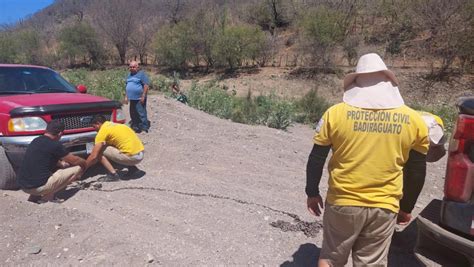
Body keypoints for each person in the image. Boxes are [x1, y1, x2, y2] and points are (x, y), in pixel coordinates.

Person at [305, 53, 429, 267]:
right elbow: (417, 171)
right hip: (385, 206)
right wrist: (406, 207)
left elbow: (316, 157)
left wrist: (312, 192)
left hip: (343, 202)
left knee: (330, 258)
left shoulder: (335, 114)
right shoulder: (415, 121)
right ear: (388, 83)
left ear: (357, 83)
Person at [16, 120, 86, 203]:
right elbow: (75, 160)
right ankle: (48, 198)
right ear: (60, 133)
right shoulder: (55, 145)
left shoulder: (36, 140)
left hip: (23, 186)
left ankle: (33, 198)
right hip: (38, 188)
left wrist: (61, 164)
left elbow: (45, 157)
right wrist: (85, 163)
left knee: (40, 172)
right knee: (77, 168)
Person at [397, 110, 447, 225]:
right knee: (411, 170)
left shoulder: (435, 125)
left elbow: (435, 154)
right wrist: (406, 208)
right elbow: (416, 174)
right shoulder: (424, 128)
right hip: (409, 131)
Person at [86, 115, 145, 182]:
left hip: (133, 158)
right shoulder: (117, 125)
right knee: (118, 144)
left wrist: (83, 167)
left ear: (98, 123)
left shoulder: (102, 131)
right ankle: (133, 169)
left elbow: (94, 156)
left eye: (94, 127)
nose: (95, 129)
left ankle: (113, 175)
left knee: (99, 150)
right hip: (141, 153)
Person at [125, 61, 150, 133]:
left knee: (141, 112)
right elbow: (127, 86)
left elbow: (146, 85)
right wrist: (126, 97)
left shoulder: (141, 74)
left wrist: (143, 96)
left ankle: (144, 127)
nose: (132, 68)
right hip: (131, 98)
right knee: (132, 112)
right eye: (130, 67)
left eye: (134, 67)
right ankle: (135, 125)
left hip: (139, 98)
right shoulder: (129, 75)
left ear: (137, 67)